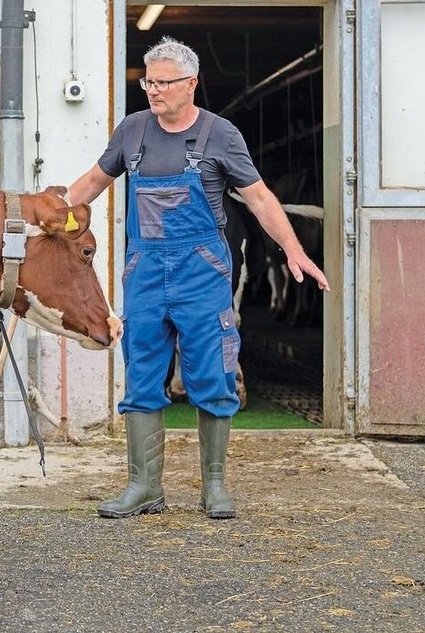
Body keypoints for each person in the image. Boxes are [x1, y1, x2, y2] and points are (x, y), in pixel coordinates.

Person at [67, 36, 328, 519]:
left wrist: (294, 249)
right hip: (145, 273)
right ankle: (144, 487)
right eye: (148, 81)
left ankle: (215, 487)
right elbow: (90, 184)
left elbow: (260, 198)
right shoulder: (132, 132)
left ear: (191, 83)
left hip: (201, 275)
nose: (153, 90)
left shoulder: (220, 135)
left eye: (164, 82)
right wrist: (48, 215)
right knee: (142, 376)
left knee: (212, 376)